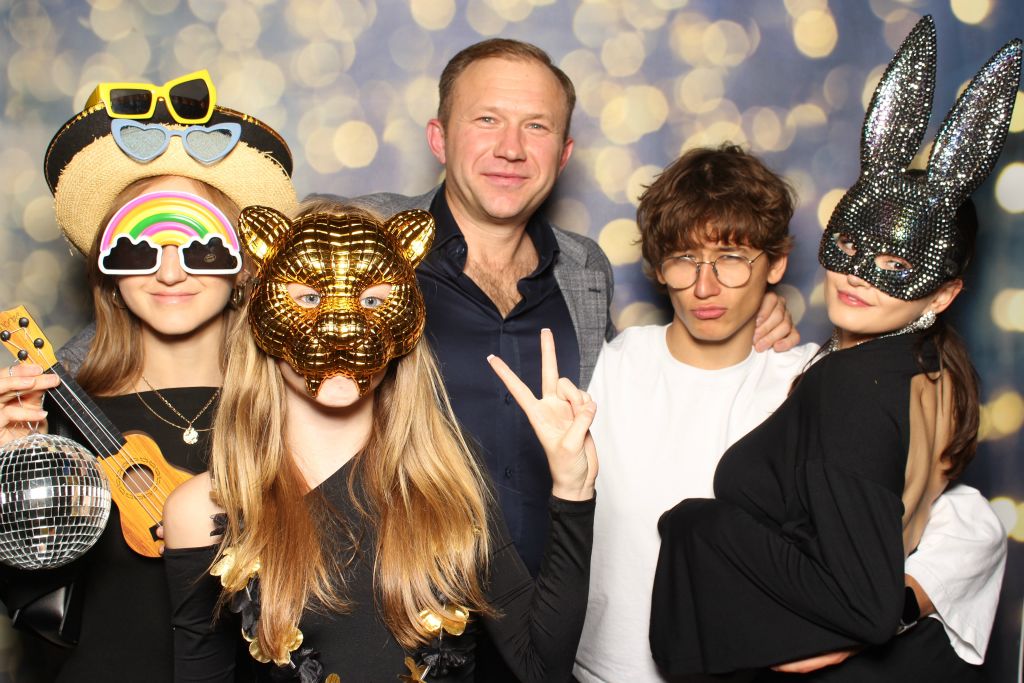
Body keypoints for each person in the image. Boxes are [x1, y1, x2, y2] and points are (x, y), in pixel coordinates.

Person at [342, 38, 797, 580]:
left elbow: (629, 402)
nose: (511, 148)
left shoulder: (585, 270)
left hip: (550, 611)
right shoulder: (359, 238)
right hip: (386, 598)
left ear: (563, 153)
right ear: (439, 138)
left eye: (536, 126)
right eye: (487, 119)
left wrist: (751, 303)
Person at [648, 17, 1020, 681]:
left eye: (895, 264)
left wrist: (864, 619)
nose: (856, 275)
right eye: (847, 246)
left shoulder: (854, 384)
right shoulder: (926, 372)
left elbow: (884, 589)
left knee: (692, 523)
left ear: (943, 293)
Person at [573, 144, 1007, 683]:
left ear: (776, 263)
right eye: (684, 258)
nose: (705, 287)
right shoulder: (612, 365)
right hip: (603, 670)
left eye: (732, 259)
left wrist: (875, 617)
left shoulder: (809, 376)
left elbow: (971, 523)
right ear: (659, 268)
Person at [161, 199, 598, 682]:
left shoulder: (453, 484)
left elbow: (542, 669)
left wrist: (573, 490)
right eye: (308, 297)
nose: (342, 332)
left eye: (372, 301)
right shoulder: (203, 511)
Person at [0, 70, 297, 683]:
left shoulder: (299, 413)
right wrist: (9, 476)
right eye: (137, 248)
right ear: (109, 272)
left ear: (243, 266)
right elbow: (31, 606)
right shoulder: (53, 420)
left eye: (202, 247)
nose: (169, 273)